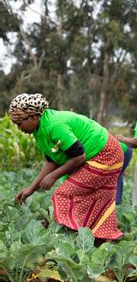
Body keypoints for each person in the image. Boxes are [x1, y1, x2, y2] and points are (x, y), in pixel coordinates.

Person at [9, 93, 123, 240]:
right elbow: (52, 161)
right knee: (84, 195)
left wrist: (54, 176)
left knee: (64, 194)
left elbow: (78, 157)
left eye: (20, 123)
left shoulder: (54, 125)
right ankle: (96, 237)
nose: (19, 128)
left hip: (105, 154)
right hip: (92, 156)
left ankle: (68, 237)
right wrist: (31, 189)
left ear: (33, 116)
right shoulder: (39, 130)